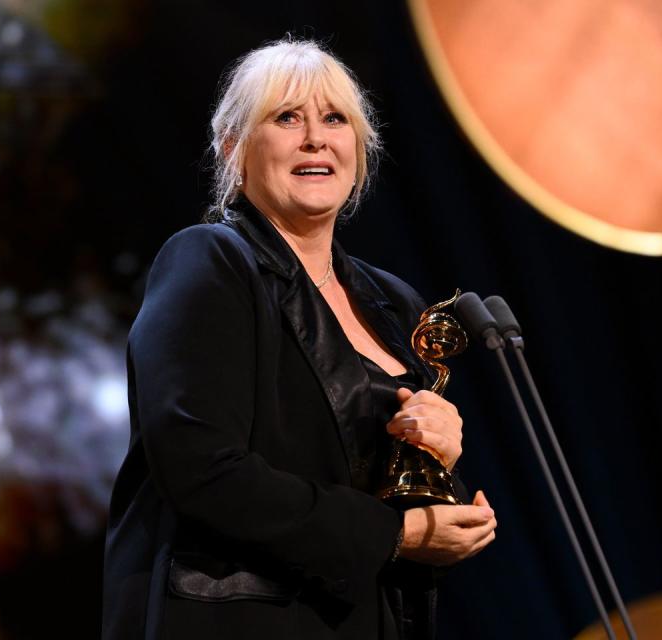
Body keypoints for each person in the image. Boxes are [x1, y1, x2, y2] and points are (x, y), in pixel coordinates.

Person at [102, 38, 497, 640]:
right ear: (233, 148)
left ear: (359, 152)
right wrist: (399, 536)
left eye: (335, 119)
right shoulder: (209, 262)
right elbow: (202, 467)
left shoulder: (394, 302)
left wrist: (443, 460)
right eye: (287, 117)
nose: (316, 138)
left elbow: (387, 483)